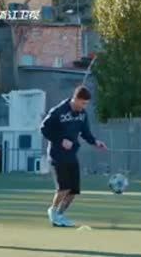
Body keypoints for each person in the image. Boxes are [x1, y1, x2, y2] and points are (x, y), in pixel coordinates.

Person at [41, 85, 107, 227]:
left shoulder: (82, 114)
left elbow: (85, 132)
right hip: (57, 155)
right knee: (64, 187)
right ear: (75, 99)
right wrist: (60, 140)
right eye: (83, 103)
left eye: (86, 104)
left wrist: (95, 142)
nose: (84, 106)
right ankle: (52, 211)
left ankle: (60, 215)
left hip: (71, 155)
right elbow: (44, 129)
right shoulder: (58, 111)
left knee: (73, 190)